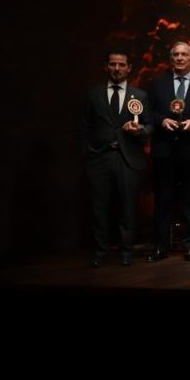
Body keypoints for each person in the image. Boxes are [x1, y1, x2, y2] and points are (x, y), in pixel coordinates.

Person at [81, 50, 152, 267]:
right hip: (99, 158)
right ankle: (101, 252)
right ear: (107, 67)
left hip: (128, 159)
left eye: (122, 64)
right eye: (113, 64)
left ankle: (126, 252)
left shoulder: (139, 96)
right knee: (99, 208)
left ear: (129, 67)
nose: (117, 68)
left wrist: (139, 130)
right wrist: (88, 154)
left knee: (127, 207)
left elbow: (149, 127)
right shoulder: (93, 95)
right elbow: (84, 127)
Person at [147, 41, 190, 262]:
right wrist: (161, 120)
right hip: (164, 151)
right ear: (171, 58)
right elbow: (147, 114)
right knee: (163, 201)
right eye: (176, 54)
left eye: (185, 54)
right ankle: (160, 245)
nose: (180, 58)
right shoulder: (157, 85)